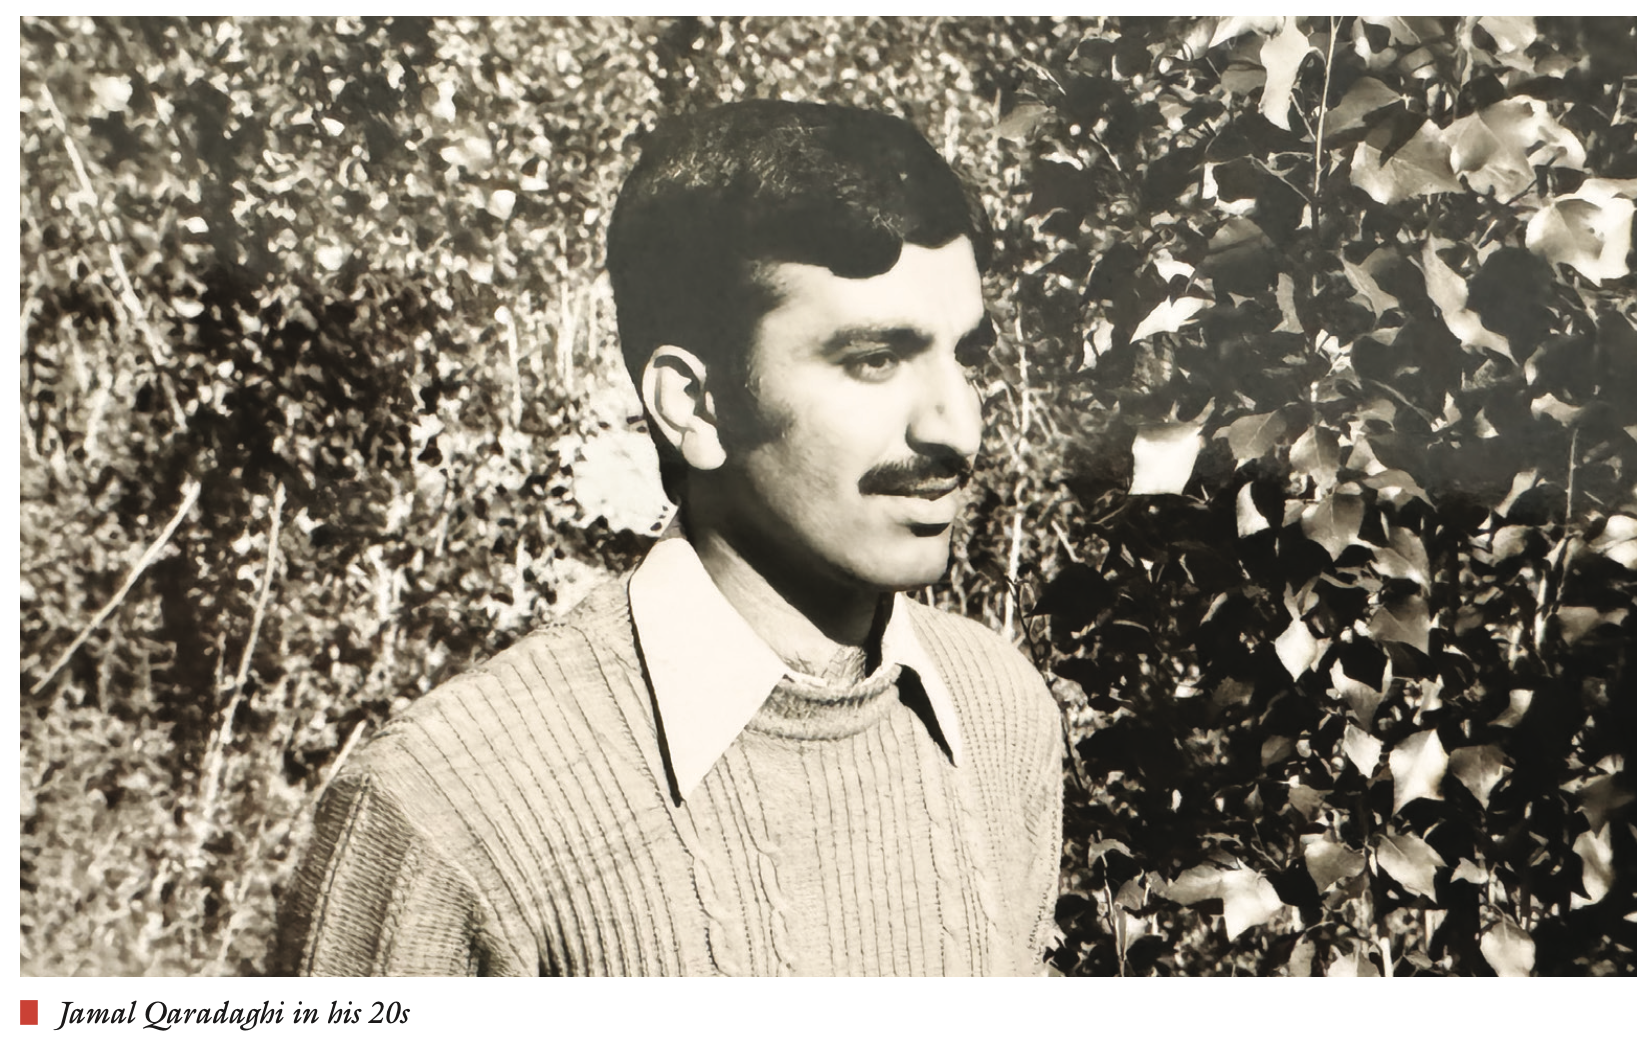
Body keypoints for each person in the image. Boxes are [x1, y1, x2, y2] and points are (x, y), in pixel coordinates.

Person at [273, 100, 1064, 976]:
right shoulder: (448, 804)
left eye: (967, 356)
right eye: (873, 360)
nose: (959, 428)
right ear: (694, 405)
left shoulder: (1000, 710)